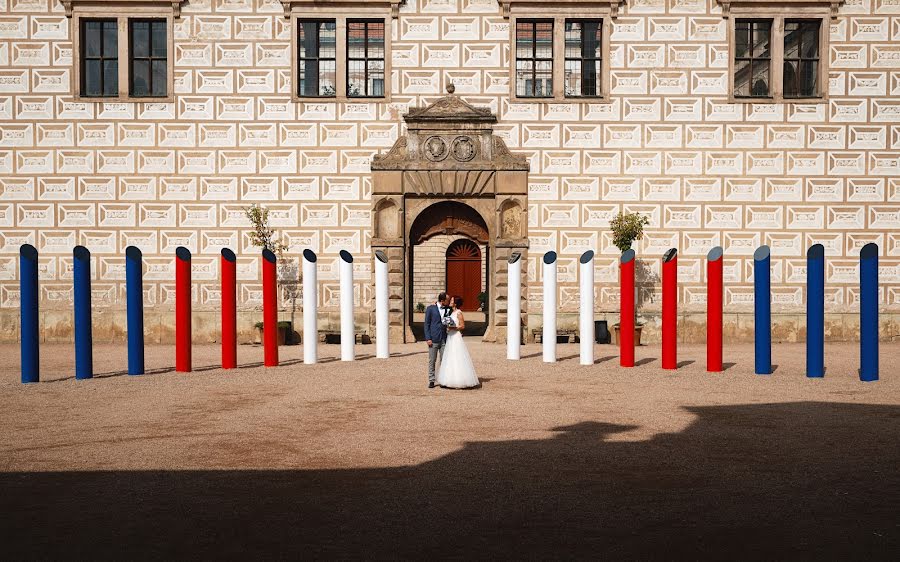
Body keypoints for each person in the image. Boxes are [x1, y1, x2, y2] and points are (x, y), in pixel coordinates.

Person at [437, 296, 480, 389]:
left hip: (456, 336)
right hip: (450, 336)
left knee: (457, 356)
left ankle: (459, 380)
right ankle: (448, 379)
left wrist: (453, 328)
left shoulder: (459, 313)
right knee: (449, 357)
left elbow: (462, 326)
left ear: (455, 303)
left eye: (452, 301)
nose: (450, 302)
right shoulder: (451, 312)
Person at [423, 292, 451, 389]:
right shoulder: (430, 309)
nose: (449, 302)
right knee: (432, 360)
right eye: (447, 300)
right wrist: (428, 338)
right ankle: (431, 380)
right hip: (433, 339)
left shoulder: (448, 309)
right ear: (442, 300)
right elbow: (426, 324)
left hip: (444, 338)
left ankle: (442, 380)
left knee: (444, 361)